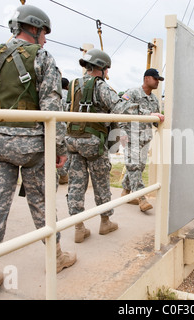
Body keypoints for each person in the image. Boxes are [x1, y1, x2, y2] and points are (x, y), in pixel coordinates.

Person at [0, 4, 76, 300]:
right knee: (42, 205)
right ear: (34, 28)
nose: (45, 39)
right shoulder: (43, 57)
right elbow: (51, 109)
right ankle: (55, 257)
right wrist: (59, 149)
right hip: (32, 145)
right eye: (44, 32)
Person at [65, 48, 119, 242]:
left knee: (76, 184)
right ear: (103, 68)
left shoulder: (72, 86)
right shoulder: (101, 86)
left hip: (72, 142)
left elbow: (64, 111)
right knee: (101, 182)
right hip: (94, 143)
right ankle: (105, 222)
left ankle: (79, 227)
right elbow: (119, 108)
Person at [114, 68, 165, 212]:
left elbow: (155, 121)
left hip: (144, 138)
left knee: (139, 167)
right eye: (155, 79)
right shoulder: (132, 93)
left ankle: (126, 190)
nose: (157, 82)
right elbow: (122, 109)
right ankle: (142, 198)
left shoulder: (154, 99)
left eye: (158, 80)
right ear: (147, 78)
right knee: (134, 165)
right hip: (130, 136)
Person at [58, 77, 70, 184]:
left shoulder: (54, 94)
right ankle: (63, 175)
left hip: (50, 126)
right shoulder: (68, 95)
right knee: (64, 152)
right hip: (64, 127)